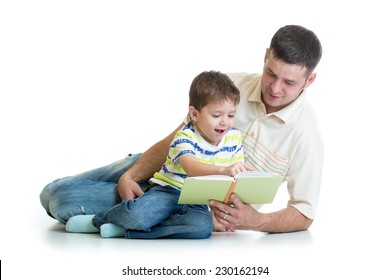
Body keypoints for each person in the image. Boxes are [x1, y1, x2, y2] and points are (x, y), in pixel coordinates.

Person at [40, 24, 323, 234]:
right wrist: (131, 176)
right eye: (271, 73)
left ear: (309, 81)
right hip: (166, 168)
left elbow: (304, 213)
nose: (274, 88)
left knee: (61, 201)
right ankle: (118, 200)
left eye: (289, 82)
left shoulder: (306, 136)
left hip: (187, 204)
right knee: (50, 195)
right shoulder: (231, 87)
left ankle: (112, 220)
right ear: (265, 56)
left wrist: (256, 222)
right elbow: (178, 139)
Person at [60, 70, 249, 239]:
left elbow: (237, 172)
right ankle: (98, 221)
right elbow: (191, 167)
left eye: (231, 115)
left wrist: (248, 175)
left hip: (197, 200)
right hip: (169, 191)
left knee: (201, 228)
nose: (225, 122)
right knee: (137, 214)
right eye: (217, 116)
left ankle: (126, 230)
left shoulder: (233, 139)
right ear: (194, 114)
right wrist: (225, 169)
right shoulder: (185, 136)